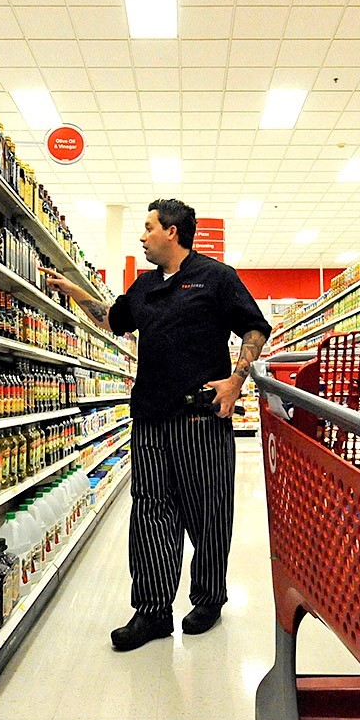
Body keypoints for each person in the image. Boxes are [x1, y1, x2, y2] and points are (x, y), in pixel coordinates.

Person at [41, 198, 271, 651]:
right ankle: (151, 612)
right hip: (148, 417)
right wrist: (73, 289)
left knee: (208, 514)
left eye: (148, 228)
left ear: (172, 232)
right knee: (149, 512)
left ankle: (208, 599)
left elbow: (254, 328)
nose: (142, 237)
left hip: (199, 417)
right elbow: (110, 319)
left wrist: (237, 380)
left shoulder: (215, 277)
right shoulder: (143, 286)